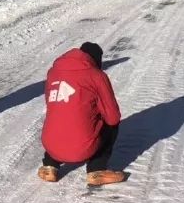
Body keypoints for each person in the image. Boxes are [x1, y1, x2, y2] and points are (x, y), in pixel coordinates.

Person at [38, 42, 126, 186]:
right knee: (111, 124)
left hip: (50, 144)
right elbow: (113, 117)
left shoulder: (53, 72)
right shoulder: (96, 75)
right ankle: (97, 169)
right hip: (82, 148)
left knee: (61, 114)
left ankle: (49, 166)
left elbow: (50, 102)